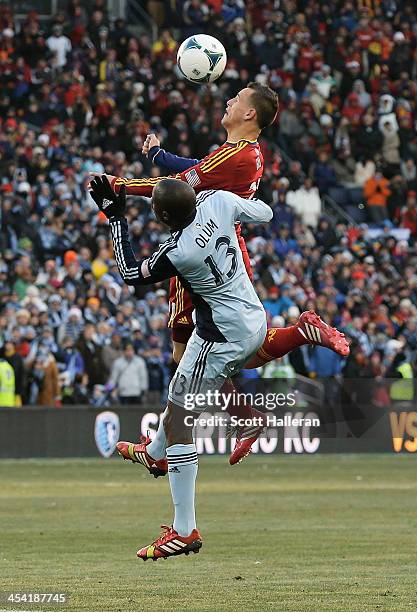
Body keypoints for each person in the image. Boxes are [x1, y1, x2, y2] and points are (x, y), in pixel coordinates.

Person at [89, 175, 349, 560]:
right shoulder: (217, 200)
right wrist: (228, 209)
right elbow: (263, 211)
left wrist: (115, 216)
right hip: (252, 315)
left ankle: (183, 529)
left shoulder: (178, 251)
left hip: (218, 338)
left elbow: (129, 273)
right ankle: (156, 452)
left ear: (161, 216)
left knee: (180, 419)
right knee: (183, 388)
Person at [91, 84, 348, 462]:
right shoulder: (243, 154)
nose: (228, 101)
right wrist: (161, 155)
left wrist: (121, 187)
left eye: (237, 99)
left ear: (249, 115)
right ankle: (242, 407)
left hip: (200, 250)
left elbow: (181, 186)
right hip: (224, 244)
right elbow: (198, 171)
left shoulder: (236, 157)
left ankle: (168, 448)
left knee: (189, 355)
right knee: (226, 347)